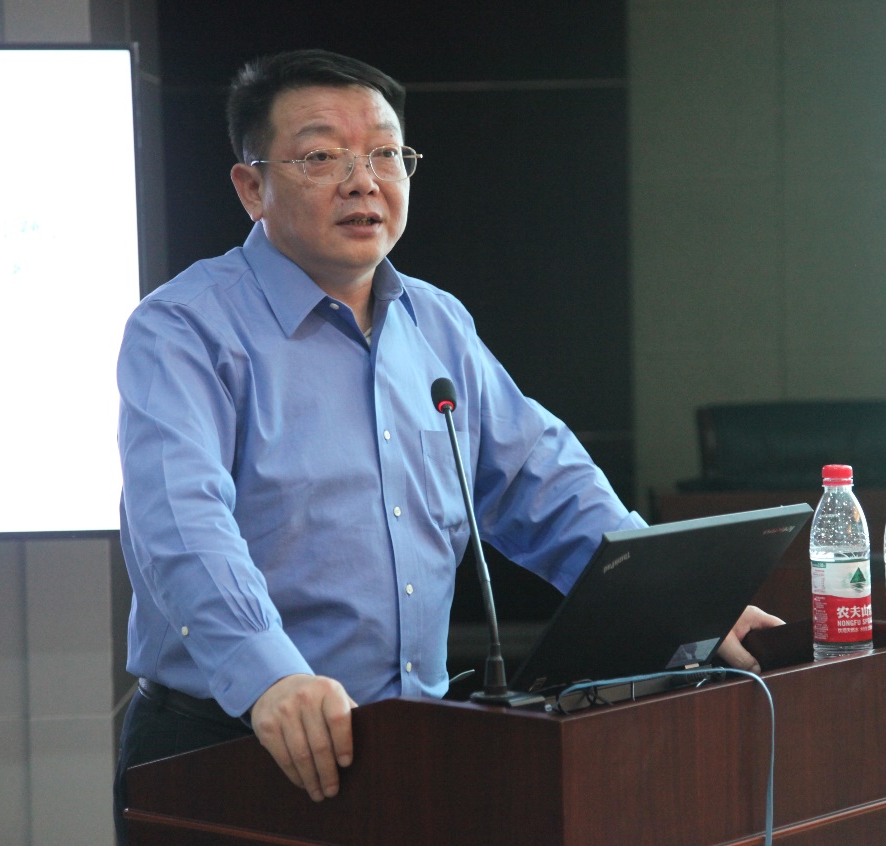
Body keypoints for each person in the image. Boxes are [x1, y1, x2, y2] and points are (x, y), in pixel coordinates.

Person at [112, 48, 781, 838]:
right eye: (322, 157)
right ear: (251, 187)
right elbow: (181, 522)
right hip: (234, 744)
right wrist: (268, 675)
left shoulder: (435, 322)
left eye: (386, 154)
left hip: (415, 746)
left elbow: (537, 477)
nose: (363, 181)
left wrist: (675, 603)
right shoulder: (184, 328)